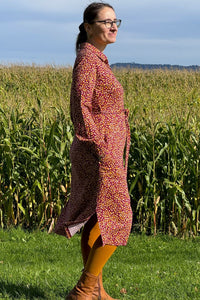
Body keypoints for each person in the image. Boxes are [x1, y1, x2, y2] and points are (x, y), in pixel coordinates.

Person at [54, 2, 133, 299]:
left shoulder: (96, 60)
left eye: (116, 21)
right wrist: (98, 146)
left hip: (103, 149)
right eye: (106, 21)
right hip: (99, 151)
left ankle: (96, 290)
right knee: (118, 216)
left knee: (97, 217)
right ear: (88, 27)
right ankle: (84, 289)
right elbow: (80, 105)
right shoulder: (88, 61)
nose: (113, 26)